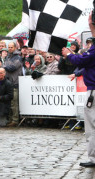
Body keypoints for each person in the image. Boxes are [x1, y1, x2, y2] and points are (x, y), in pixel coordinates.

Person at [61, 13, 95, 168]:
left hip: (93, 90)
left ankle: (94, 157)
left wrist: (69, 55)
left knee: (92, 125)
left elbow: (82, 60)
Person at [3, 41, 22, 127]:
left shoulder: (18, 57)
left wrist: (2, 66)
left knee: (14, 103)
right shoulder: (7, 57)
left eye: (11, 47)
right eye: (9, 47)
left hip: (15, 83)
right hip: (8, 83)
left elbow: (12, 68)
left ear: (15, 48)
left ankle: (15, 120)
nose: (10, 49)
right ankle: (10, 119)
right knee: (9, 103)